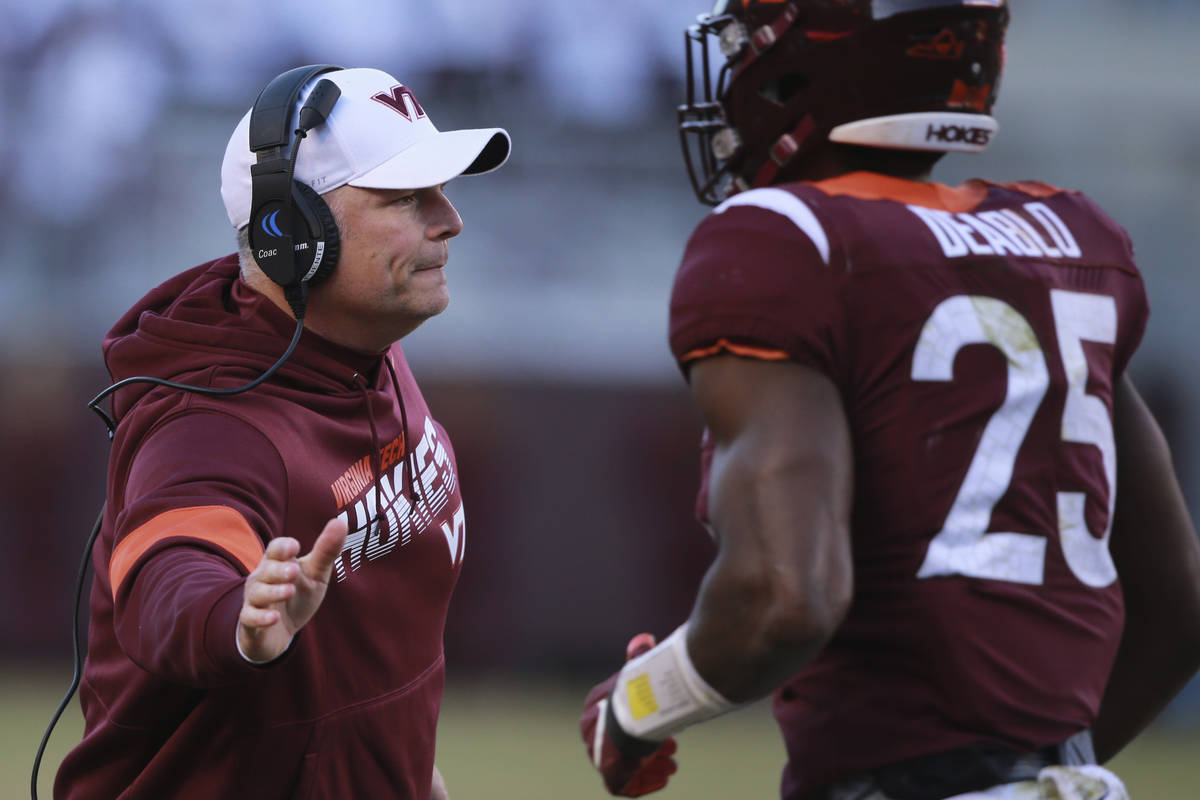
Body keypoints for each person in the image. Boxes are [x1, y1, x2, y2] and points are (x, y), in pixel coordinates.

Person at [581, 2, 1200, 798]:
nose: (739, 77)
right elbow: (1176, 607)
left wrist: (636, 705)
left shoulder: (787, 237)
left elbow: (783, 600)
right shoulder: (1072, 240)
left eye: (753, 48)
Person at [55, 65, 509, 800]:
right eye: (406, 197)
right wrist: (238, 617)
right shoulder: (209, 423)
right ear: (291, 233)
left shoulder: (366, 354)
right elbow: (173, 573)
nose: (450, 219)